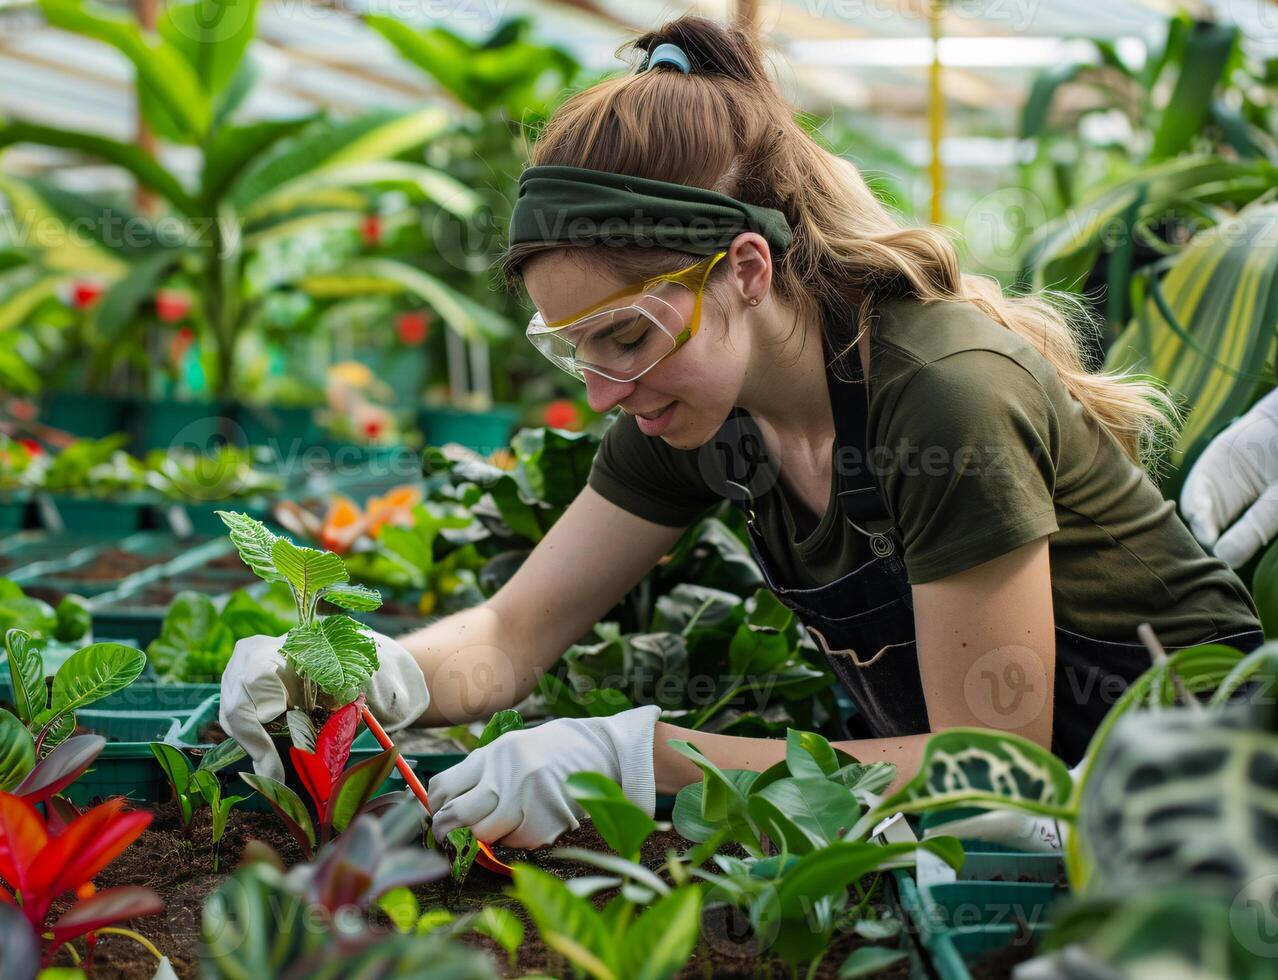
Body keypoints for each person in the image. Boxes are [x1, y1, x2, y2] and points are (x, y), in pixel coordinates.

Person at [221, 17, 1265, 850]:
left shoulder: (940, 394)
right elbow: (507, 638)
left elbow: (990, 772)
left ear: (747, 271)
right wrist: (360, 671)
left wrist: (644, 758)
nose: (600, 389)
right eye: (572, 348)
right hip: (1016, 839)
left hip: (1203, 802)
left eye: (623, 334)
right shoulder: (694, 403)